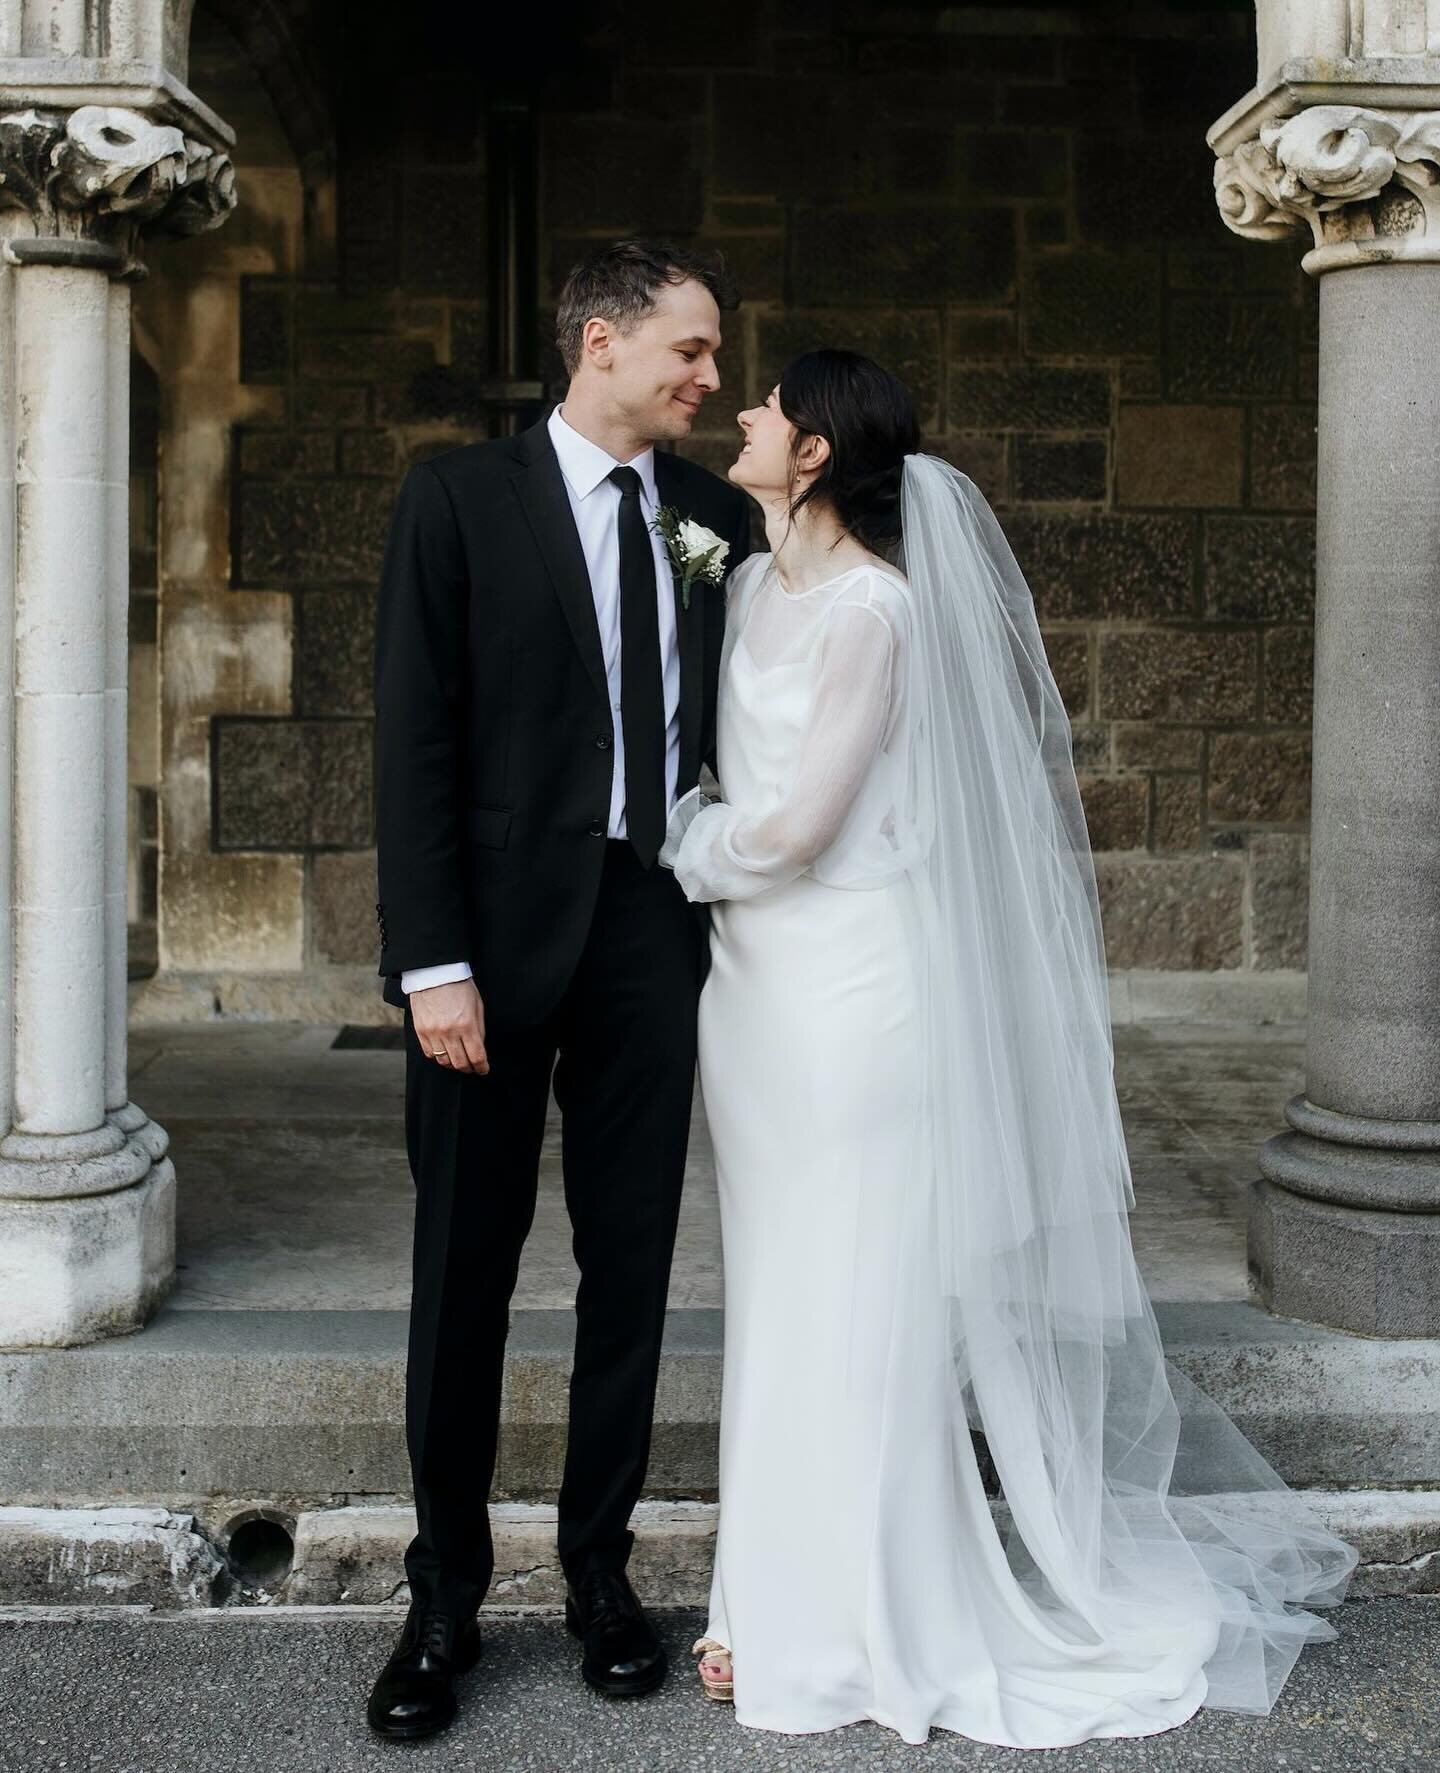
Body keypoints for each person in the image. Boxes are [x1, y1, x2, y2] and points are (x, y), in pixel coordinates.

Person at [660, 349, 1357, 1749]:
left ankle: (866, 1622)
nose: (741, 411)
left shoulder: (878, 609)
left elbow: (798, 826)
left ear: (812, 455)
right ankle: (767, 1596)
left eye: (770, 405)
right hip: (755, 998)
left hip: (855, 992)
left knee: (864, 1308)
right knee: (787, 1300)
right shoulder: (736, 583)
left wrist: (676, 839)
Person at [366, 239, 752, 1741]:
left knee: (635, 1265)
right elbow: (414, 742)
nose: (712, 378)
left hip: (652, 938)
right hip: (487, 954)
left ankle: (601, 1572)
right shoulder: (457, 501)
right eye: (693, 351)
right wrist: (430, 963)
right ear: (603, 342)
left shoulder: (717, 518)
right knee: (463, 1274)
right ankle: (444, 1595)